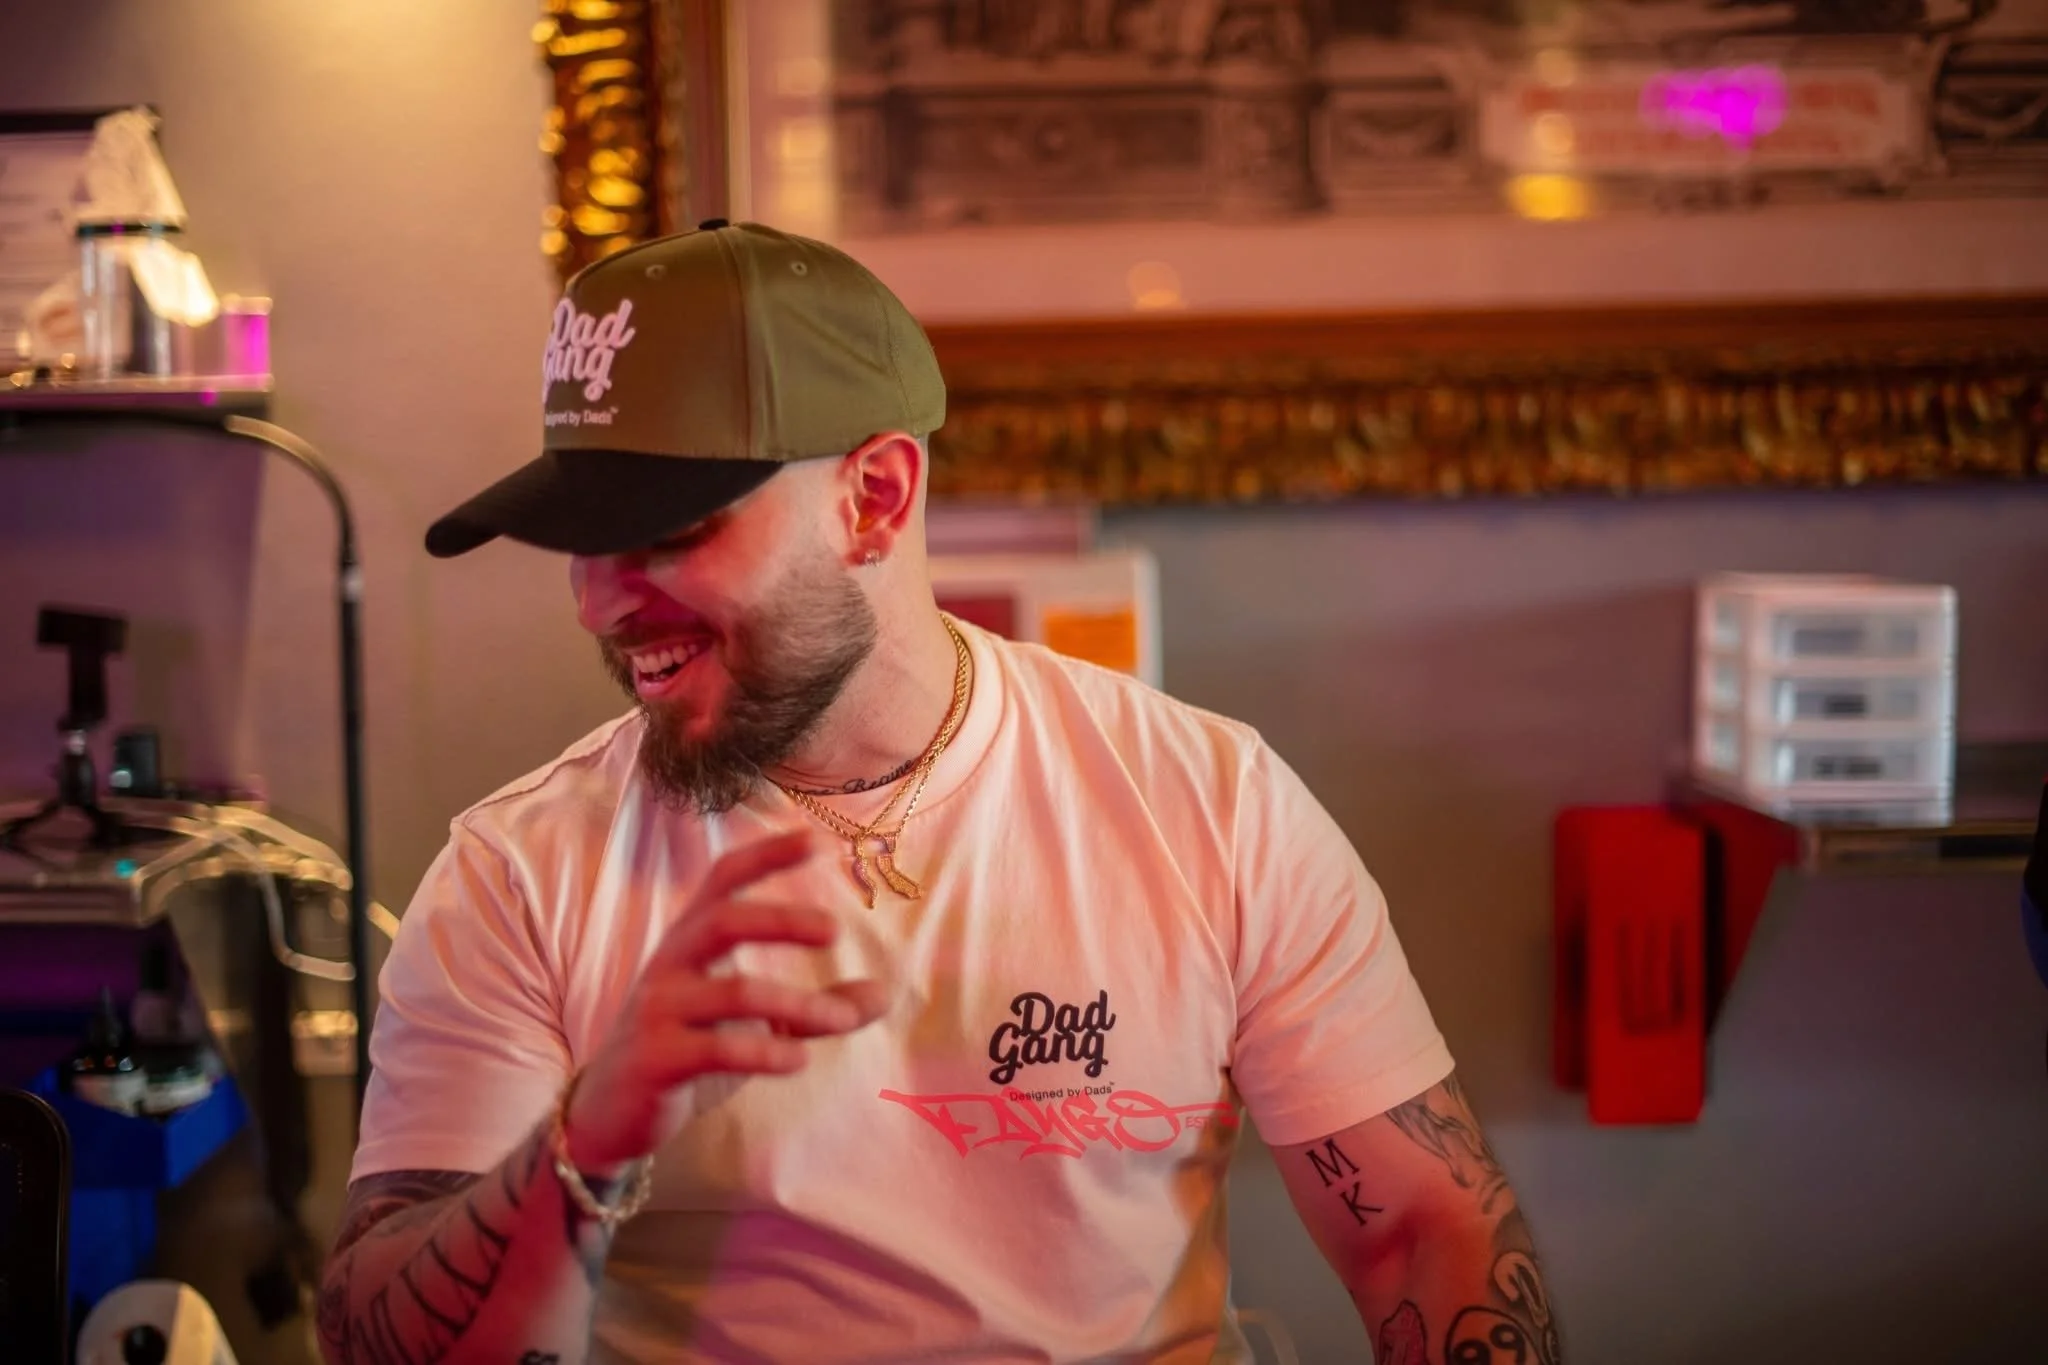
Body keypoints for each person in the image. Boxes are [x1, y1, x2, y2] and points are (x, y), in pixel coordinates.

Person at [318, 219, 1560, 1365]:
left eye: (666, 533)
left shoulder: (1209, 803)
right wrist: (585, 1141)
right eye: (582, 542)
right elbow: (380, 1337)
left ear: (875, 498)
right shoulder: (519, 875)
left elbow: (1419, 1233)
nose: (598, 601)